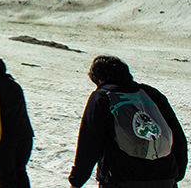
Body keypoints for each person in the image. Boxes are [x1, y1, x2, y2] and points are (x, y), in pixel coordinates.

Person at [69, 55, 187, 188]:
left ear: (99, 79)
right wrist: (176, 174)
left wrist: (76, 181)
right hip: (165, 177)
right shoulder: (151, 94)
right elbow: (177, 136)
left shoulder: (102, 97)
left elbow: (89, 143)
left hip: (123, 178)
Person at [0, 55, 33, 188]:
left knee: (6, 178)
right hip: (25, 136)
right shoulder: (13, 84)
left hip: (4, 138)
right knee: (20, 173)